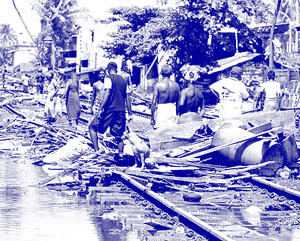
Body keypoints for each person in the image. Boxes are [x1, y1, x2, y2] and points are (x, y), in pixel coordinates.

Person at [88, 62, 132, 159]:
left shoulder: (108, 78)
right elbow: (128, 97)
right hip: (121, 110)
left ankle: (97, 151)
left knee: (92, 127)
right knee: (119, 134)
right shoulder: (124, 80)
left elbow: (107, 93)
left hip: (110, 109)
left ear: (108, 70)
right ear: (117, 69)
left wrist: (101, 109)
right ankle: (121, 154)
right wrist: (130, 113)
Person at [151, 64, 180, 129]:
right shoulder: (176, 85)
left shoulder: (158, 85)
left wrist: (152, 118)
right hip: (172, 112)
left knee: (160, 134)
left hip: (162, 113)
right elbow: (178, 103)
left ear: (161, 73)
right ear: (171, 73)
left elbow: (153, 103)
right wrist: (177, 114)